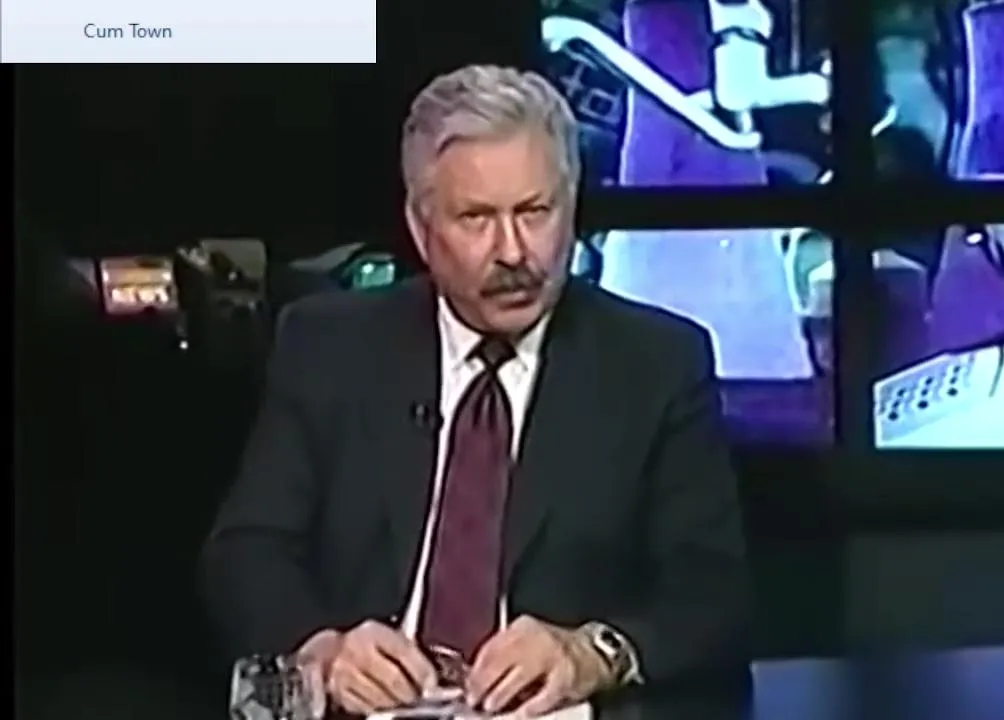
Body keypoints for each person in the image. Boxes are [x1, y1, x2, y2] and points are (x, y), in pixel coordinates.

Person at [201, 65, 751, 718]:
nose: (513, 251)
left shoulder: (655, 362)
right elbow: (247, 551)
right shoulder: (329, 347)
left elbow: (711, 588)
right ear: (420, 226)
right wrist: (323, 650)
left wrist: (592, 652)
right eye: (476, 218)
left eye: (535, 212)